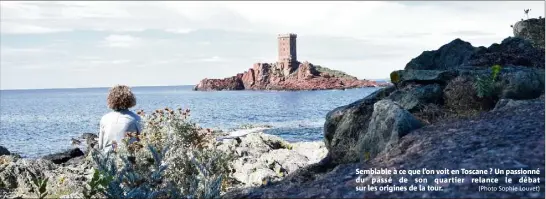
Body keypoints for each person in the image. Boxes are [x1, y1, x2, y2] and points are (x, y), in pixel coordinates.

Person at [98, 85, 142, 153]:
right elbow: (144, 143)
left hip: (108, 158)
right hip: (129, 158)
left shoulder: (104, 119)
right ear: (131, 99)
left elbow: (100, 146)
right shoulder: (135, 119)